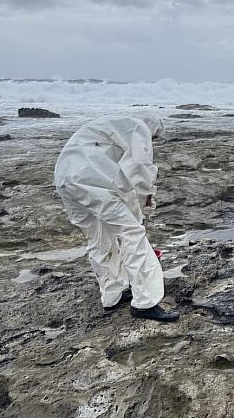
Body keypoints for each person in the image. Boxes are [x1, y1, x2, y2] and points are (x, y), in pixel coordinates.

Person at [54, 111, 180, 321]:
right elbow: (140, 166)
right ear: (153, 129)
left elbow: (114, 169)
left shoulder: (107, 123)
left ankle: (113, 294)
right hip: (89, 181)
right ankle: (145, 302)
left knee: (99, 237)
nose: (153, 141)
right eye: (154, 138)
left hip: (64, 179)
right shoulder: (139, 126)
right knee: (132, 233)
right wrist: (147, 197)